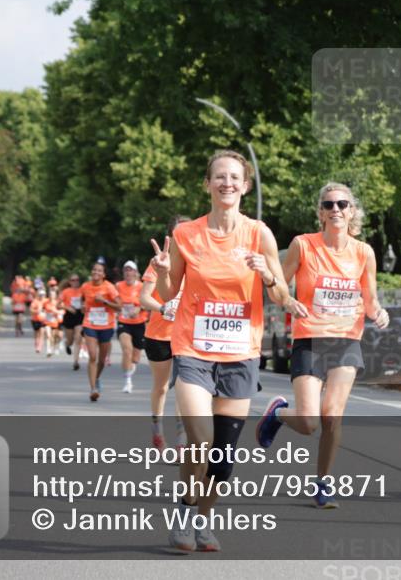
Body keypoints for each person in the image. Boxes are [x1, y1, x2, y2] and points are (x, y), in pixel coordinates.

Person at [152, 150, 290, 553]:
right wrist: (162, 275)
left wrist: (266, 275)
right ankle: (185, 510)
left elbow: (282, 295)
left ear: (245, 186)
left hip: (241, 353)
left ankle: (201, 521)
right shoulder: (187, 235)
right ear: (207, 184)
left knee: (223, 456)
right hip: (193, 349)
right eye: (219, 177)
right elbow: (167, 294)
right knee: (201, 439)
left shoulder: (259, 233)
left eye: (234, 177)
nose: (227, 183)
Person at [254, 182, 388, 508]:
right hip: (310, 338)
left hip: (346, 340)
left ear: (352, 211)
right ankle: (279, 414)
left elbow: (369, 299)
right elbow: (279, 285)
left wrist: (378, 312)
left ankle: (323, 484)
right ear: (321, 213)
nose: (336, 210)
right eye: (329, 205)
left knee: (332, 417)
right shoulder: (303, 245)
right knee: (309, 422)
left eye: (342, 204)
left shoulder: (363, 252)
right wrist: (288, 303)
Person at [140, 216, 191, 451]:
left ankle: (182, 438)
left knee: (183, 385)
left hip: (187, 337)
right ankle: (157, 430)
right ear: (170, 236)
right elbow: (144, 298)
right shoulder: (158, 262)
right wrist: (162, 307)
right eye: (178, 233)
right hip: (159, 335)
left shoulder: (196, 263)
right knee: (161, 387)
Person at [80, 261, 120, 401]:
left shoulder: (109, 287)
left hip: (106, 326)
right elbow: (81, 301)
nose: (96, 272)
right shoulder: (85, 286)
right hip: (89, 324)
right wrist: (82, 307)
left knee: (101, 360)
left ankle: (96, 378)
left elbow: (119, 306)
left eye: (99, 271)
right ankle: (93, 389)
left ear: (103, 274)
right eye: (94, 270)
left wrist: (105, 301)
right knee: (92, 356)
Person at [116, 261, 147, 393]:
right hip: (124, 322)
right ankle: (127, 381)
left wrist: (139, 308)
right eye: (126, 270)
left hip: (139, 323)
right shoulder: (118, 286)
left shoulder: (142, 286)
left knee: (135, 358)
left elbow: (148, 302)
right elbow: (114, 300)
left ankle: (130, 368)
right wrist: (117, 306)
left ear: (135, 272)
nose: (128, 273)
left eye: (131, 270)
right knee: (126, 350)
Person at [60, 274, 85, 370]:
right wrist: (67, 307)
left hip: (79, 315)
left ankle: (76, 361)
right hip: (69, 316)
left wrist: (84, 306)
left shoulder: (82, 291)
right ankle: (67, 344)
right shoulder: (66, 292)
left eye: (77, 280)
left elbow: (86, 301)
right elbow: (58, 305)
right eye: (73, 280)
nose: (75, 282)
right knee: (70, 340)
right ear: (69, 282)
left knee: (78, 338)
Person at [30, 289, 47, 354]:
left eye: (43, 295)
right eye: (40, 295)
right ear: (38, 295)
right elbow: (31, 310)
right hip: (35, 320)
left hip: (43, 320)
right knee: (37, 334)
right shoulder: (35, 301)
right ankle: (36, 344)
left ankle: (39, 347)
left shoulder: (46, 301)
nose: (42, 296)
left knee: (42, 333)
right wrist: (37, 311)